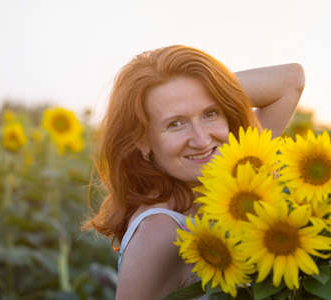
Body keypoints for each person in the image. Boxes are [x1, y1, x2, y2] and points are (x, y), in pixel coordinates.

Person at [83, 45, 305, 299]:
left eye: (211, 113)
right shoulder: (159, 231)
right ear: (142, 141)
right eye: (175, 124)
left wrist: (204, 88)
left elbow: (290, 81)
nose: (201, 140)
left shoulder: (234, 174)